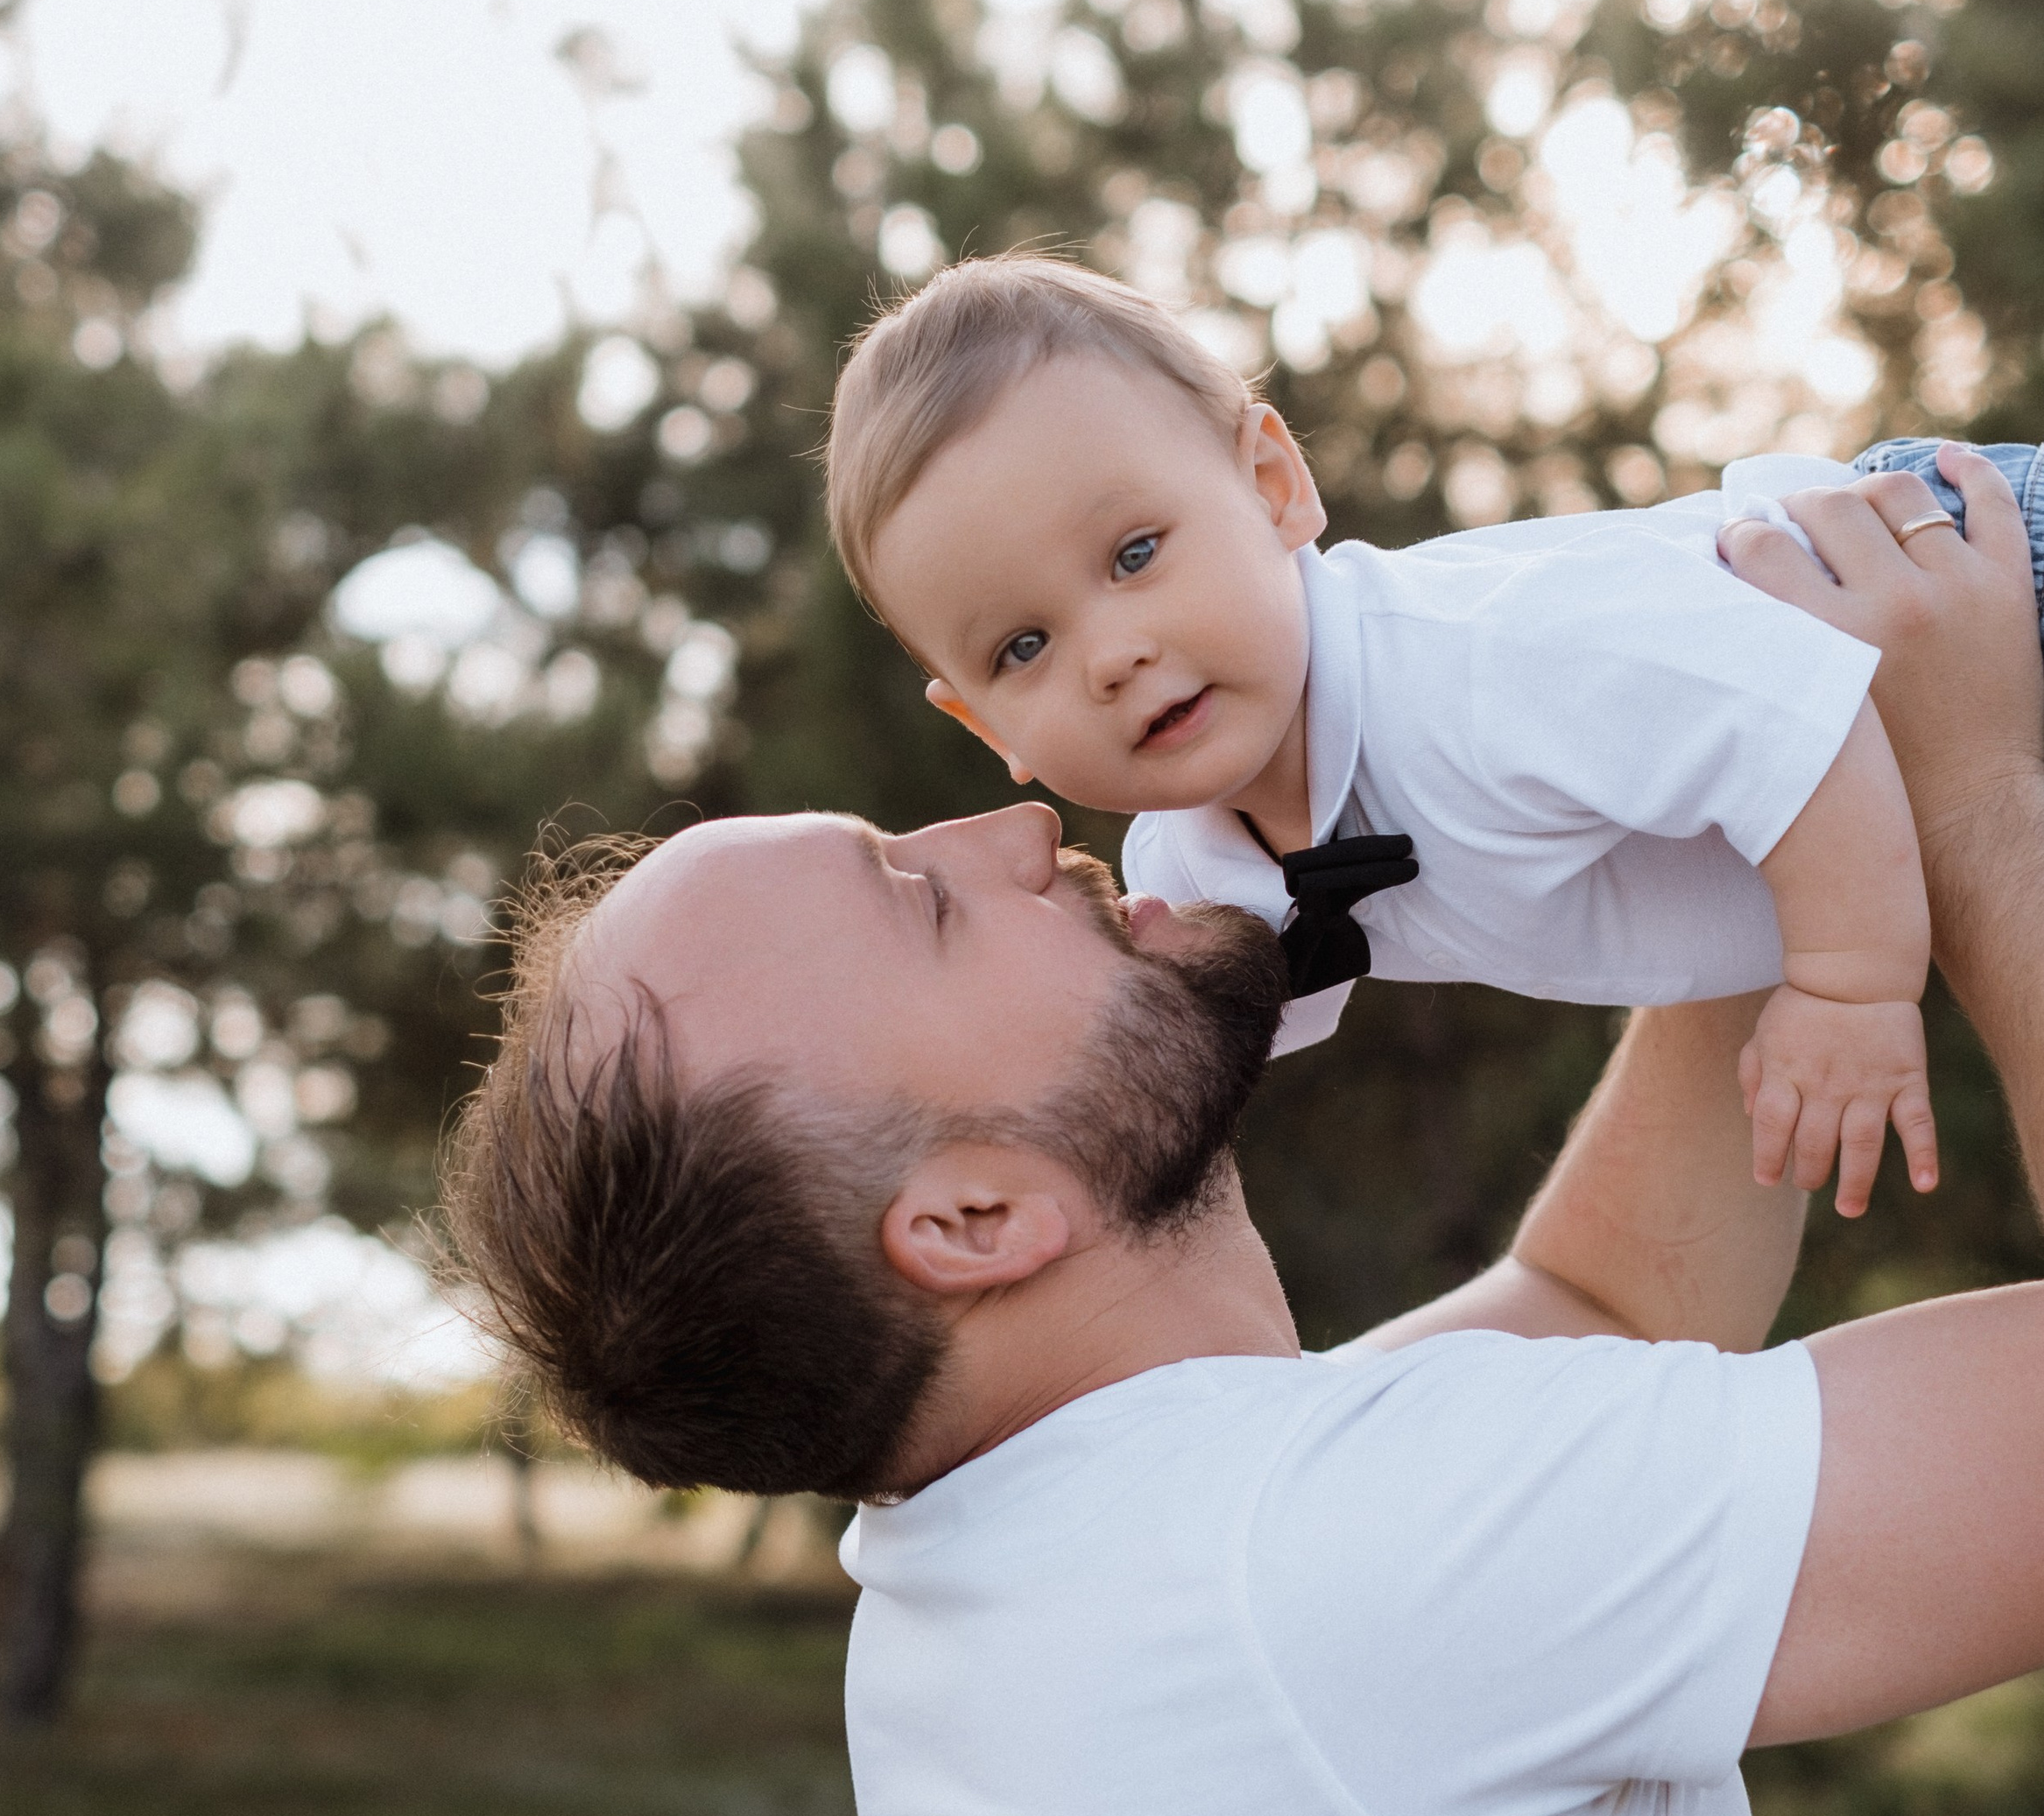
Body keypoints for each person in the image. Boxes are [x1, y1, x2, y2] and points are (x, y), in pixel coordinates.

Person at [443, 454, 2044, 1816]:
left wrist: (1761, 774)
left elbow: (1597, 1313)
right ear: (977, 1218)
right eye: (920, 897)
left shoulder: (1057, 1567)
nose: (1018, 822)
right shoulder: (1330, 1574)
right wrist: (1968, 793)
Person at [824, 255, 1971, 1220]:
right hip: (1938, 788)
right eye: (1022, 648)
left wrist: (1849, 992)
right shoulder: (1191, 871)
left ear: (1273, 485)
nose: (1108, 655)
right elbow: (1165, 1069)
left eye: (1133, 556)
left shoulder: (1477, 664)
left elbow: (1788, 709)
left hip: (1948, 567)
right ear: (986, 727)